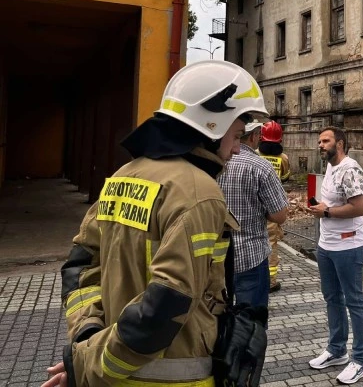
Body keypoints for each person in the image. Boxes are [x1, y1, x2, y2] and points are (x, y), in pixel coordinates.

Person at [43, 60, 270, 387]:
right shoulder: (199, 192)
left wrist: (89, 336)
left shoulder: (124, 174)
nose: (237, 149)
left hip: (113, 375)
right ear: (211, 125)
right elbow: (164, 307)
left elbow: (80, 268)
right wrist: (87, 362)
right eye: (236, 135)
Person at [307, 127, 363, 385]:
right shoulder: (331, 168)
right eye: (319, 141)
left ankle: (361, 360)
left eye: (325, 141)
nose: (320, 145)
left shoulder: (350, 169)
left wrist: (327, 212)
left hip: (349, 247)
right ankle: (337, 350)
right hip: (327, 245)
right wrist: (321, 210)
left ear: (340, 143)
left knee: (354, 301)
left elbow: (360, 207)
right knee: (332, 298)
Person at [218, 120, 289, 310]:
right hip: (251, 258)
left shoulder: (215, 163)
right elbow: (280, 215)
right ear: (253, 136)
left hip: (217, 258)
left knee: (219, 318)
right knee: (250, 325)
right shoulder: (262, 166)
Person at [257, 121, 291, 293]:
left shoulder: (255, 155)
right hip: (274, 207)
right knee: (271, 244)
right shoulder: (283, 158)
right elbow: (285, 177)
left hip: (255, 205)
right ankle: (271, 282)